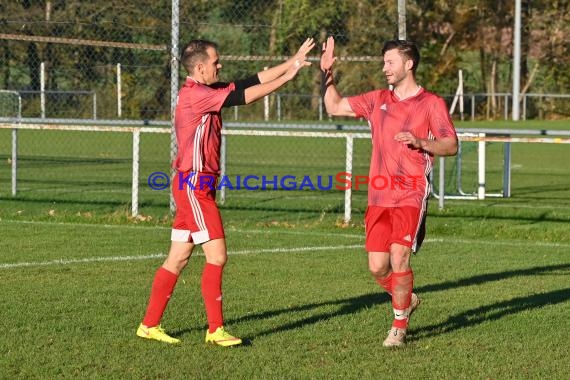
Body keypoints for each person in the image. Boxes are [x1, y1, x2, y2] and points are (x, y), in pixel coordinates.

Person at [137, 37, 315, 346]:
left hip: (190, 185)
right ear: (200, 67)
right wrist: (288, 77)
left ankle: (149, 325)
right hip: (194, 186)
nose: (220, 65)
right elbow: (245, 96)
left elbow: (249, 80)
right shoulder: (197, 95)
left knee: (177, 259)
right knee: (217, 257)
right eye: (216, 62)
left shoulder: (205, 90)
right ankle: (215, 330)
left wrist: (293, 61)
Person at [320, 37, 458, 347]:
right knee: (377, 266)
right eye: (384, 62)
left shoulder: (431, 103)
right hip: (379, 195)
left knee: (399, 257)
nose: (385, 68)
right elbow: (334, 106)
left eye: (390, 62)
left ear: (409, 64)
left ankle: (398, 327)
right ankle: (406, 299)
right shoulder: (376, 99)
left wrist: (423, 142)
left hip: (411, 192)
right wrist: (326, 72)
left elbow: (451, 144)